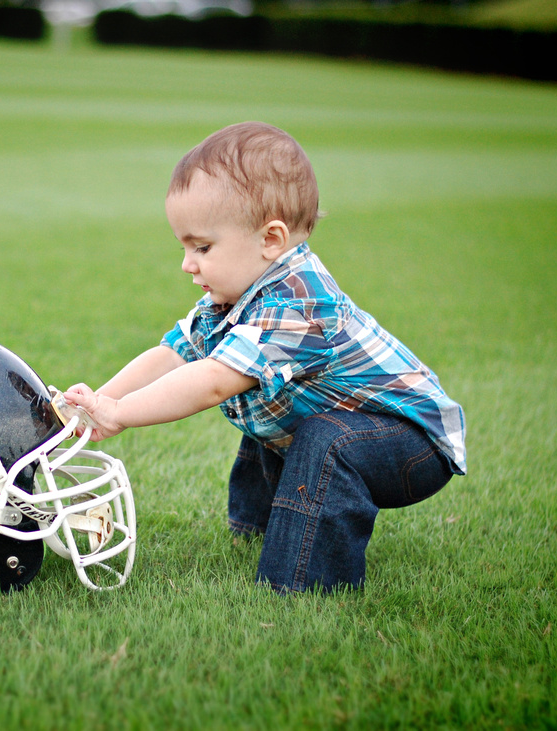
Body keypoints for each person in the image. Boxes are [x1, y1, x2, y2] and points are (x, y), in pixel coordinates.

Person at [64, 122, 466, 593]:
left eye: (202, 247)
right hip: (358, 421)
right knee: (274, 405)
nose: (187, 264)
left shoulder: (299, 304)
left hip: (412, 444)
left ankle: (302, 584)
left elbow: (212, 381)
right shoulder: (234, 298)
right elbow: (172, 355)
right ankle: (255, 530)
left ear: (271, 239)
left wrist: (120, 414)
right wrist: (95, 405)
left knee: (321, 437)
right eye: (185, 247)